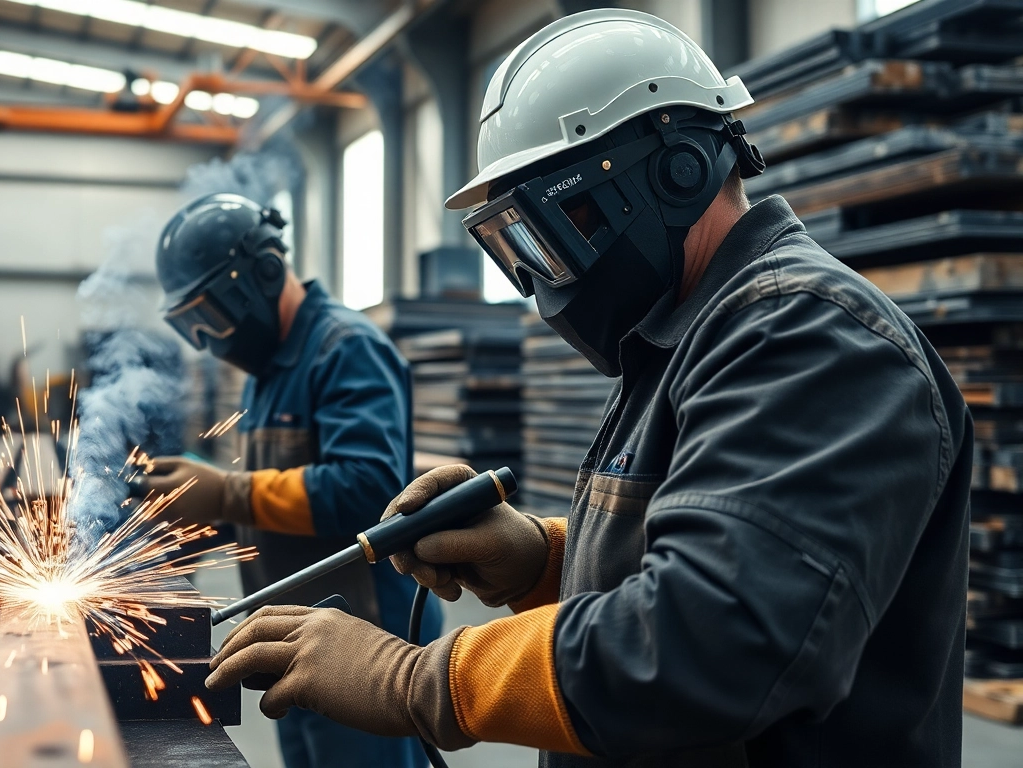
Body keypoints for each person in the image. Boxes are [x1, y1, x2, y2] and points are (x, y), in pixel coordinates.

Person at [204, 10, 971, 768]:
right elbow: (703, 545)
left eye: (550, 229)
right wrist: (541, 558)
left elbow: (708, 643)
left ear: (677, 170)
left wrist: (413, 678)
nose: (539, 283)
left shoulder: (807, 338)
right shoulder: (680, 336)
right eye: (514, 247)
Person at [144, 193, 442, 768]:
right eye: (193, 326)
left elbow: (366, 487)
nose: (210, 339)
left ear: (263, 273)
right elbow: (271, 498)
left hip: (365, 641)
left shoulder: (346, 349)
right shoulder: (266, 372)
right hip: (293, 634)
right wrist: (191, 524)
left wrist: (225, 492)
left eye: (212, 315)